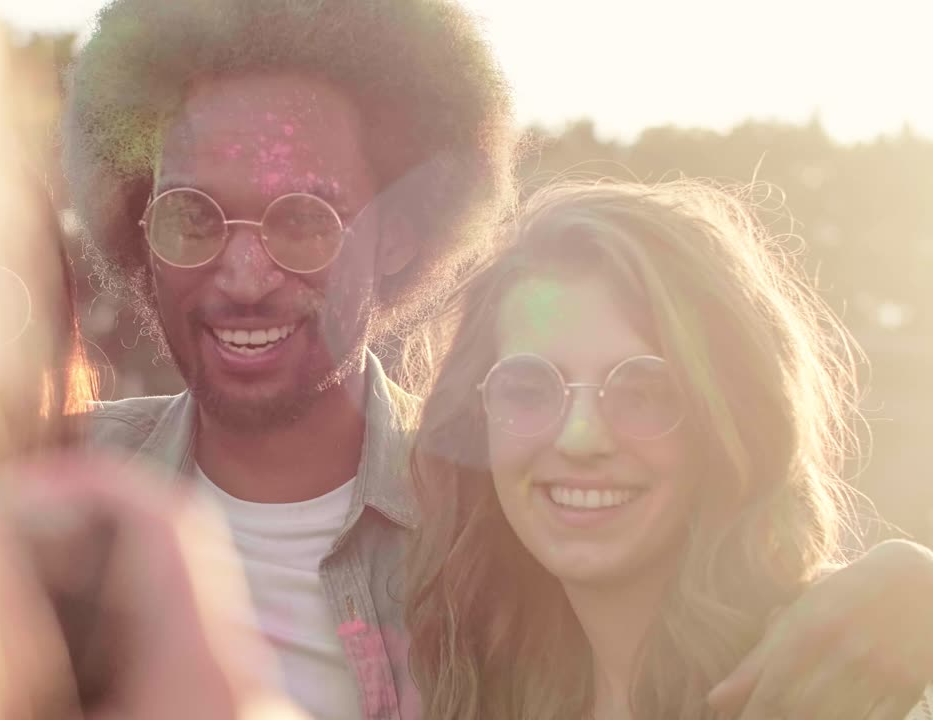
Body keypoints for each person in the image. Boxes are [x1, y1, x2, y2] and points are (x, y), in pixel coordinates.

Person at [56, 1, 933, 718]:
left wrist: (913, 594)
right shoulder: (38, 489)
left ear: (397, 235)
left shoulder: (492, 518)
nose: (244, 276)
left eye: (303, 221)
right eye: (193, 216)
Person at [406, 178, 933, 719]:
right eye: (528, 389)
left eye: (644, 391)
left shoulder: (847, 688)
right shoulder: (477, 682)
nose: (580, 438)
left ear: (730, 418)